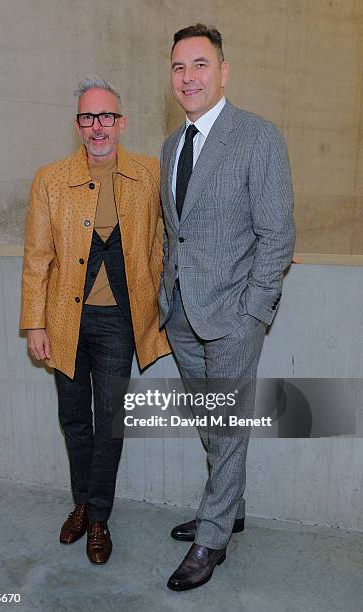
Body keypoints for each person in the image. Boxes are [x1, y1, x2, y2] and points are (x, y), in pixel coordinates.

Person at [159, 24, 296, 591]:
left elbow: (278, 235)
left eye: (200, 65)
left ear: (223, 71)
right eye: (178, 68)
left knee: (228, 426)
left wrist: (254, 311)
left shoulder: (258, 137)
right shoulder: (172, 145)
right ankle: (229, 505)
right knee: (211, 422)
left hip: (234, 318)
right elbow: (178, 235)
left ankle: (212, 539)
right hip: (182, 316)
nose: (188, 77)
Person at [20, 76, 170, 565]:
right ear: (78, 125)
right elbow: (37, 257)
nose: (97, 126)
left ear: (121, 123)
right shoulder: (50, 178)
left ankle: (99, 517)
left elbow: (173, 238)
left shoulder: (149, 173)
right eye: (88, 117)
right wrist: (35, 323)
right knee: (74, 420)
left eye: (106, 116)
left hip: (119, 324)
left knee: (109, 424)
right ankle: (80, 504)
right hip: (64, 320)